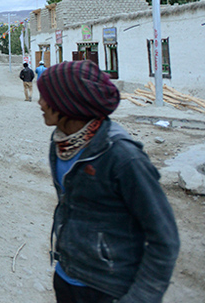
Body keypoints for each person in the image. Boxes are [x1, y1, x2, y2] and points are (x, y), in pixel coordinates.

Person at [37, 61, 180, 303]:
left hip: (106, 289)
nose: (40, 103)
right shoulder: (61, 143)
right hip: (66, 277)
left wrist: (140, 298)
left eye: (46, 97)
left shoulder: (124, 158)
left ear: (68, 103)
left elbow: (164, 239)